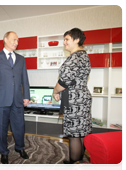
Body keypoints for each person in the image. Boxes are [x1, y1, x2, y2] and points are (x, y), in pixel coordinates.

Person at [0, 31, 30, 165]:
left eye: (17, 41)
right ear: (5, 39)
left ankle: (20, 148)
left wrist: (26, 96)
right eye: (14, 40)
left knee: (20, 126)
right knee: (1, 127)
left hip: (17, 99)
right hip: (1, 99)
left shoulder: (21, 59)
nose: (16, 43)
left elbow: (24, 79)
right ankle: (3, 152)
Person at [52, 28, 92, 170]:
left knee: (74, 135)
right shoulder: (84, 55)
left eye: (67, 39)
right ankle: (77, 163)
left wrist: (54, 91)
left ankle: (74, 166)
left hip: (75, 101)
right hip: (82, 98)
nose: (64, 43)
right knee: (80, 134)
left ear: (76, 39)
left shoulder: (75, 57)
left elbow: (63, 82)